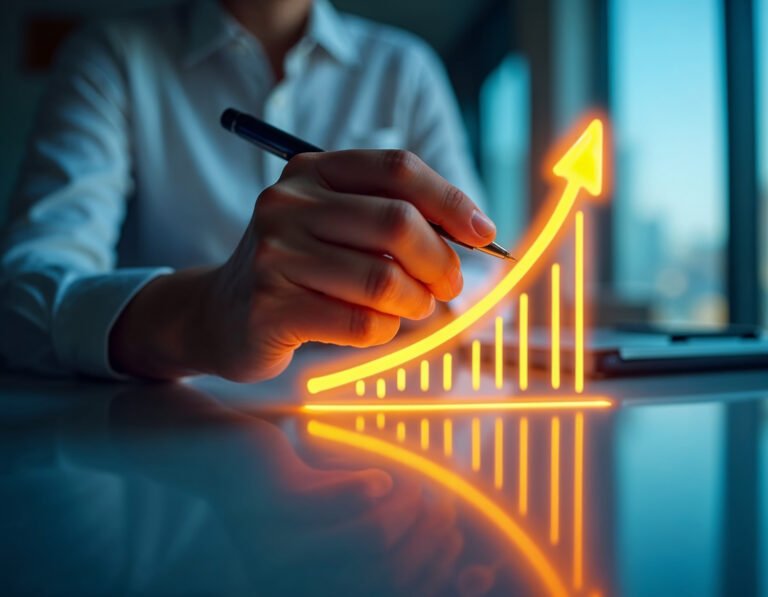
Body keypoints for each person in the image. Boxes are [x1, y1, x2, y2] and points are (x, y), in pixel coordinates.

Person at [0, 0, 497, 382]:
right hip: (159, 439)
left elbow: (482, 284)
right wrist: (202, 317)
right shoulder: (113, 56)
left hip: (373, 420)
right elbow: (23, 304)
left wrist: (416, 298)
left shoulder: (406, 70)